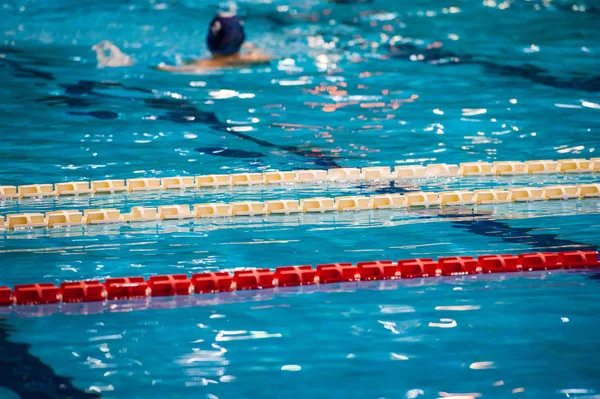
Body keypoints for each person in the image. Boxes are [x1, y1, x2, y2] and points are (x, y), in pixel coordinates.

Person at [156, 12, 272, 72]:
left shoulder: (204, 65)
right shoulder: (257, 58)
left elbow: (169, 70)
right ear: (241, 40)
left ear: (210, 40)